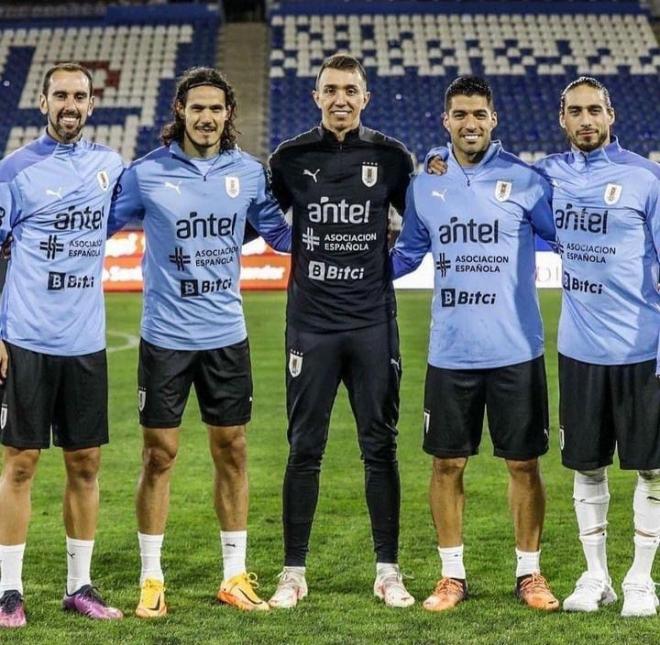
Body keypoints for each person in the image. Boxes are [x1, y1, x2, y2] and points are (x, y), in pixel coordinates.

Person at [109, 66, 291, 618]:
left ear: (228, 113)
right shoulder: (146, 174)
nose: (207, 117)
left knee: (232, 449)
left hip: (225, 337)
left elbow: (278, 233)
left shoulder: (249, 173)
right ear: (181, 113)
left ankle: (234, 574)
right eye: (197, 108)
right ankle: (151, 578)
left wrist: (330, 223)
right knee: (159, 454)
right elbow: (95, 226)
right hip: (165, 336)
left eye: (216, 108)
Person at [391, 75, 559, 612]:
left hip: (516, 350)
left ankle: (529, 574)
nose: (470, 124)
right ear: (446, 121)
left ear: (494, 120)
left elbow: (570, 236)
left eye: (479, 115)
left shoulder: (527, 181)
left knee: (524, 465)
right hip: (450, 353)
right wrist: (350, 272)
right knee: (446, 466)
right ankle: (451, 576)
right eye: (460, 115)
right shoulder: (426, 184)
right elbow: (406, 254)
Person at [267, 53, 415, 608]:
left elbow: (419, 226)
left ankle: (388, 571)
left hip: (374, 324)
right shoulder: (289, 158)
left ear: (365, 96)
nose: (340, 100)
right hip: (311, 327)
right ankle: (293, 572)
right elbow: (267, 221)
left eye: (350, 90)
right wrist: (297, 252)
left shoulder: (391, 158)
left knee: (381, 447)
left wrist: (384, 269)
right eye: (330, 89)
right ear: (316, 95)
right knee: (304, 448)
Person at [0, 63, 124, 628]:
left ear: (92, 103)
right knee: (21, 464)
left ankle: (80, 585)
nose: (70, 104)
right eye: (60, 95)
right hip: (25, 339)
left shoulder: (110, 167)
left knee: (86, 462)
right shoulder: (14, 170)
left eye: (80, 95)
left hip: (84, 342)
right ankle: (8, 591)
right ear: (43, 101)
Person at [533, 77, 660, 617]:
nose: (586, 120)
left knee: (652, 469)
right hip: (579, 348)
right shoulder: (547, 178)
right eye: (575, 111)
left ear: (611, 115)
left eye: (595, 110)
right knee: (587, 467)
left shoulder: (645, 178)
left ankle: (640, 578)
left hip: (643, 349)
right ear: (562, 119)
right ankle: (597, 575)